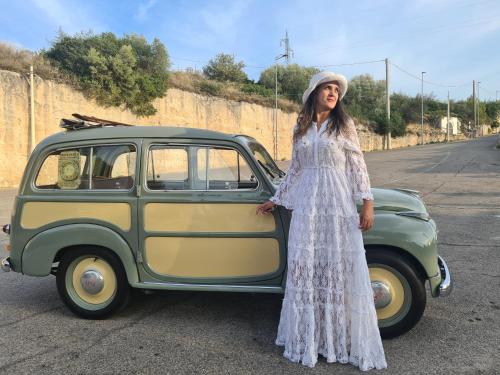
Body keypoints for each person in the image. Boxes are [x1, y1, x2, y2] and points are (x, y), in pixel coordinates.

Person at [256, 71, 387, 371]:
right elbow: (296, 170)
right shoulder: (300, 128)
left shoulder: (344, 125)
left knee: (338, 266)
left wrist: (367, 203)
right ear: (315, 92)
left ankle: (339, 339)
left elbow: (357, 165)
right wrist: (276, 198)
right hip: (308, 205)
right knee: (308, 266)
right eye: (327, 88)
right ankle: (309, 339)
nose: (332, 93)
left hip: (337, 202)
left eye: (336, 90)